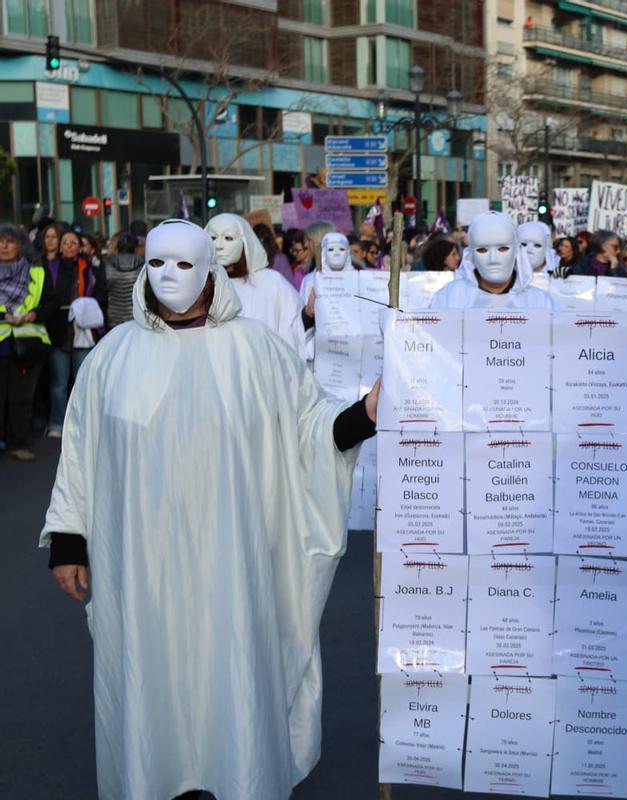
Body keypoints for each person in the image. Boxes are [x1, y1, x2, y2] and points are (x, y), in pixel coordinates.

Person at [41, 218, 380, 800]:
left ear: (209, 272)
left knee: (232, 675)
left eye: (183, 263)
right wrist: (70, 542)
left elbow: (309, 428)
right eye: (156, 262)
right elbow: (80, 450)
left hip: (232, 561)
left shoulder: (255, 350)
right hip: (142, 567)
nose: (168, 275)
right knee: (152, 682)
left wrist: (364, 414)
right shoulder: (113, 355)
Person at [205, 213, 304, 354]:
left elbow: (292, 330)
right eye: (213, 238)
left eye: (228, 238)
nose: (219, 246)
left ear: (244, 242)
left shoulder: (272, 283)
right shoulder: (199, 285)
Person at [44, 229, 107, 438]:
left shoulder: (90, 269)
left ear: (80, 246)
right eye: (66, 242)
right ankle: (57, 423)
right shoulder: (50, 268)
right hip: (59, 331)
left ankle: (82, 423)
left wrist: (84, 306)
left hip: (84, 330)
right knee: (59, 382)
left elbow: (101, 294)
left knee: (83, 380)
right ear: (60, 246)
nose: (70, 246)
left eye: (74, 242)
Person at [429, 211, 555, 310]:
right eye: (483, 250)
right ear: (471, 254)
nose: (493, 259)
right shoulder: (450, 298)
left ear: (517, 251)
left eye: (503, 248)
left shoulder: (540, 303)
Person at [0, 224, 50, 462]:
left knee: (21, 398)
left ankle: (18, 443)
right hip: (2, 342)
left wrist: (35, 314)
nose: (4, 246)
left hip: (27, 345)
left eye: (10, 241)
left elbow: (52, 301)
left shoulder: (37, 272)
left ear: (20, 246)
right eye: (1, 241)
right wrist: (4, 316)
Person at [104, 232, 143, 328]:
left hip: (114, 316)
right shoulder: (143, 265)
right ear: (136, 248)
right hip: (137, 317)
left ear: (118, 248)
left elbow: (103, 291)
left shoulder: (108, 264)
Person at [283, 227, 311, 292]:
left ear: (307, 248)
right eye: (293, 250)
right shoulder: (296, 269)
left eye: (297, 251)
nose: (294, 253)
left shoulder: (315, 267)